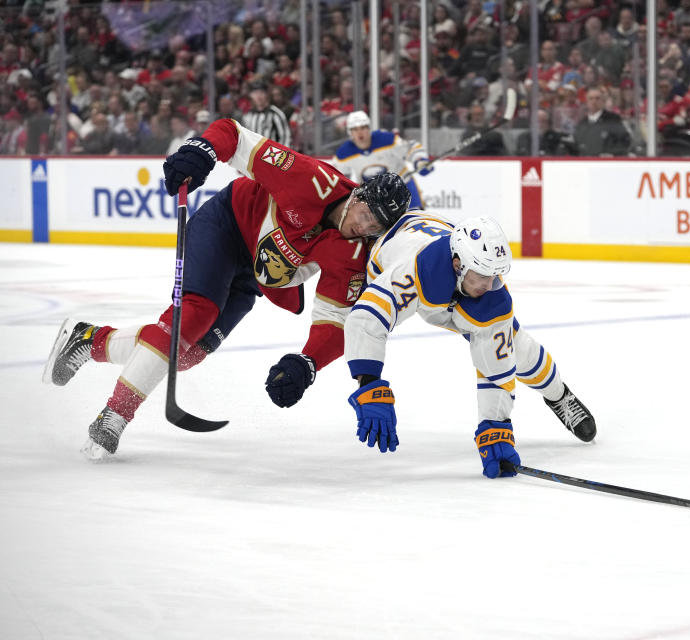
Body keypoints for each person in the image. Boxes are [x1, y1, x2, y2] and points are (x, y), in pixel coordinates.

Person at [42, 118, 412, 460]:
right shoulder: (309, 178)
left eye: (376, 228)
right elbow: (234, 136)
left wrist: (308, 363)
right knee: (191, 320)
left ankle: (89, 340)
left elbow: (333, 318)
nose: (366, 229)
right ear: (359, 197)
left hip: (255, 273)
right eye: (367, 217)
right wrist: (201, 151)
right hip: (226, 227)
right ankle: (114, 416)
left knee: (189, 354)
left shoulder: (355, 254)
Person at [341, 213, 596, 478]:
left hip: (446, 255)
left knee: (520, 350)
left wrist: (495, 426)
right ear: (457, 264)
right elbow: (366, 319)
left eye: (496, 276)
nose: (489, 285)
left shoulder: (490, 291)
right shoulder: (416, 270)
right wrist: (368, 383)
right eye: (483, 276)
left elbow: (496, 369)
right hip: (397, 249)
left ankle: (560, 396)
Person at [331, 110, 433, 211]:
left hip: (403, 189)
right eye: (355, 129)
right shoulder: (344, 153)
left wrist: (419, 160)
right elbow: (337, 179)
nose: (360, 132)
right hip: (374, 198)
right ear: (350, 132)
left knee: (415, 221)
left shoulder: (387, 140)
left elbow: (411, 147)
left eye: (363, 128)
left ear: (369, 128)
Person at [573, 88, 632, 156]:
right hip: (586, 163)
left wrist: (613, 154)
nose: (594, 101)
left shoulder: (613, 119)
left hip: (607, 164)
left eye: (597, 98)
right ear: (586, 102)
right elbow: (577, 145)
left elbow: (624, 141)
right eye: (591, 98)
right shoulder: (582, 123)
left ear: (603, 101)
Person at [241, 80, 292, 148]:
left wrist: (280, 156)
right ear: (251, 95)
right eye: (255, 93)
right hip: (252, 155)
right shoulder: (247, 116)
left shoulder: (275, 114)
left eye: (261, 93)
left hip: (271, 155)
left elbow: (285, 137)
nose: (258, 96)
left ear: (267, 95)